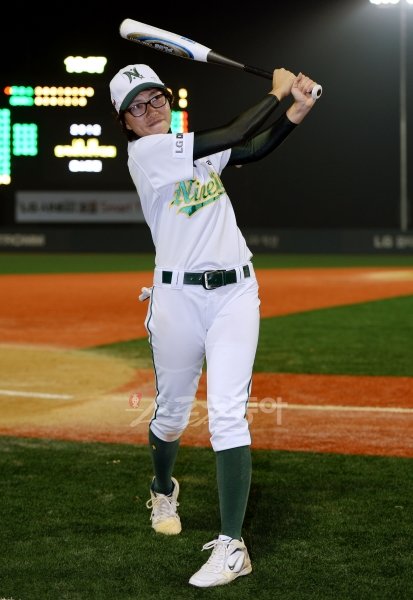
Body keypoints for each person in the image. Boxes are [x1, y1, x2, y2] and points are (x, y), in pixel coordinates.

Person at [109, 62, 317, 587]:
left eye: (155, 98)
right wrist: (276, 92)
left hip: (235, 295)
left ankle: (232, 547)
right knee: (172, 415)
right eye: (136, 107)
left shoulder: (191, 148)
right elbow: (234, 130)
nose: (149, 110)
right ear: (126, 123)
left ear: (168, 101)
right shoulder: (148, 154)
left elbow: (250, 148)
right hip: (176, 299)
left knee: (227, 414)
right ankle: (163, 488)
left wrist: (295, 111)